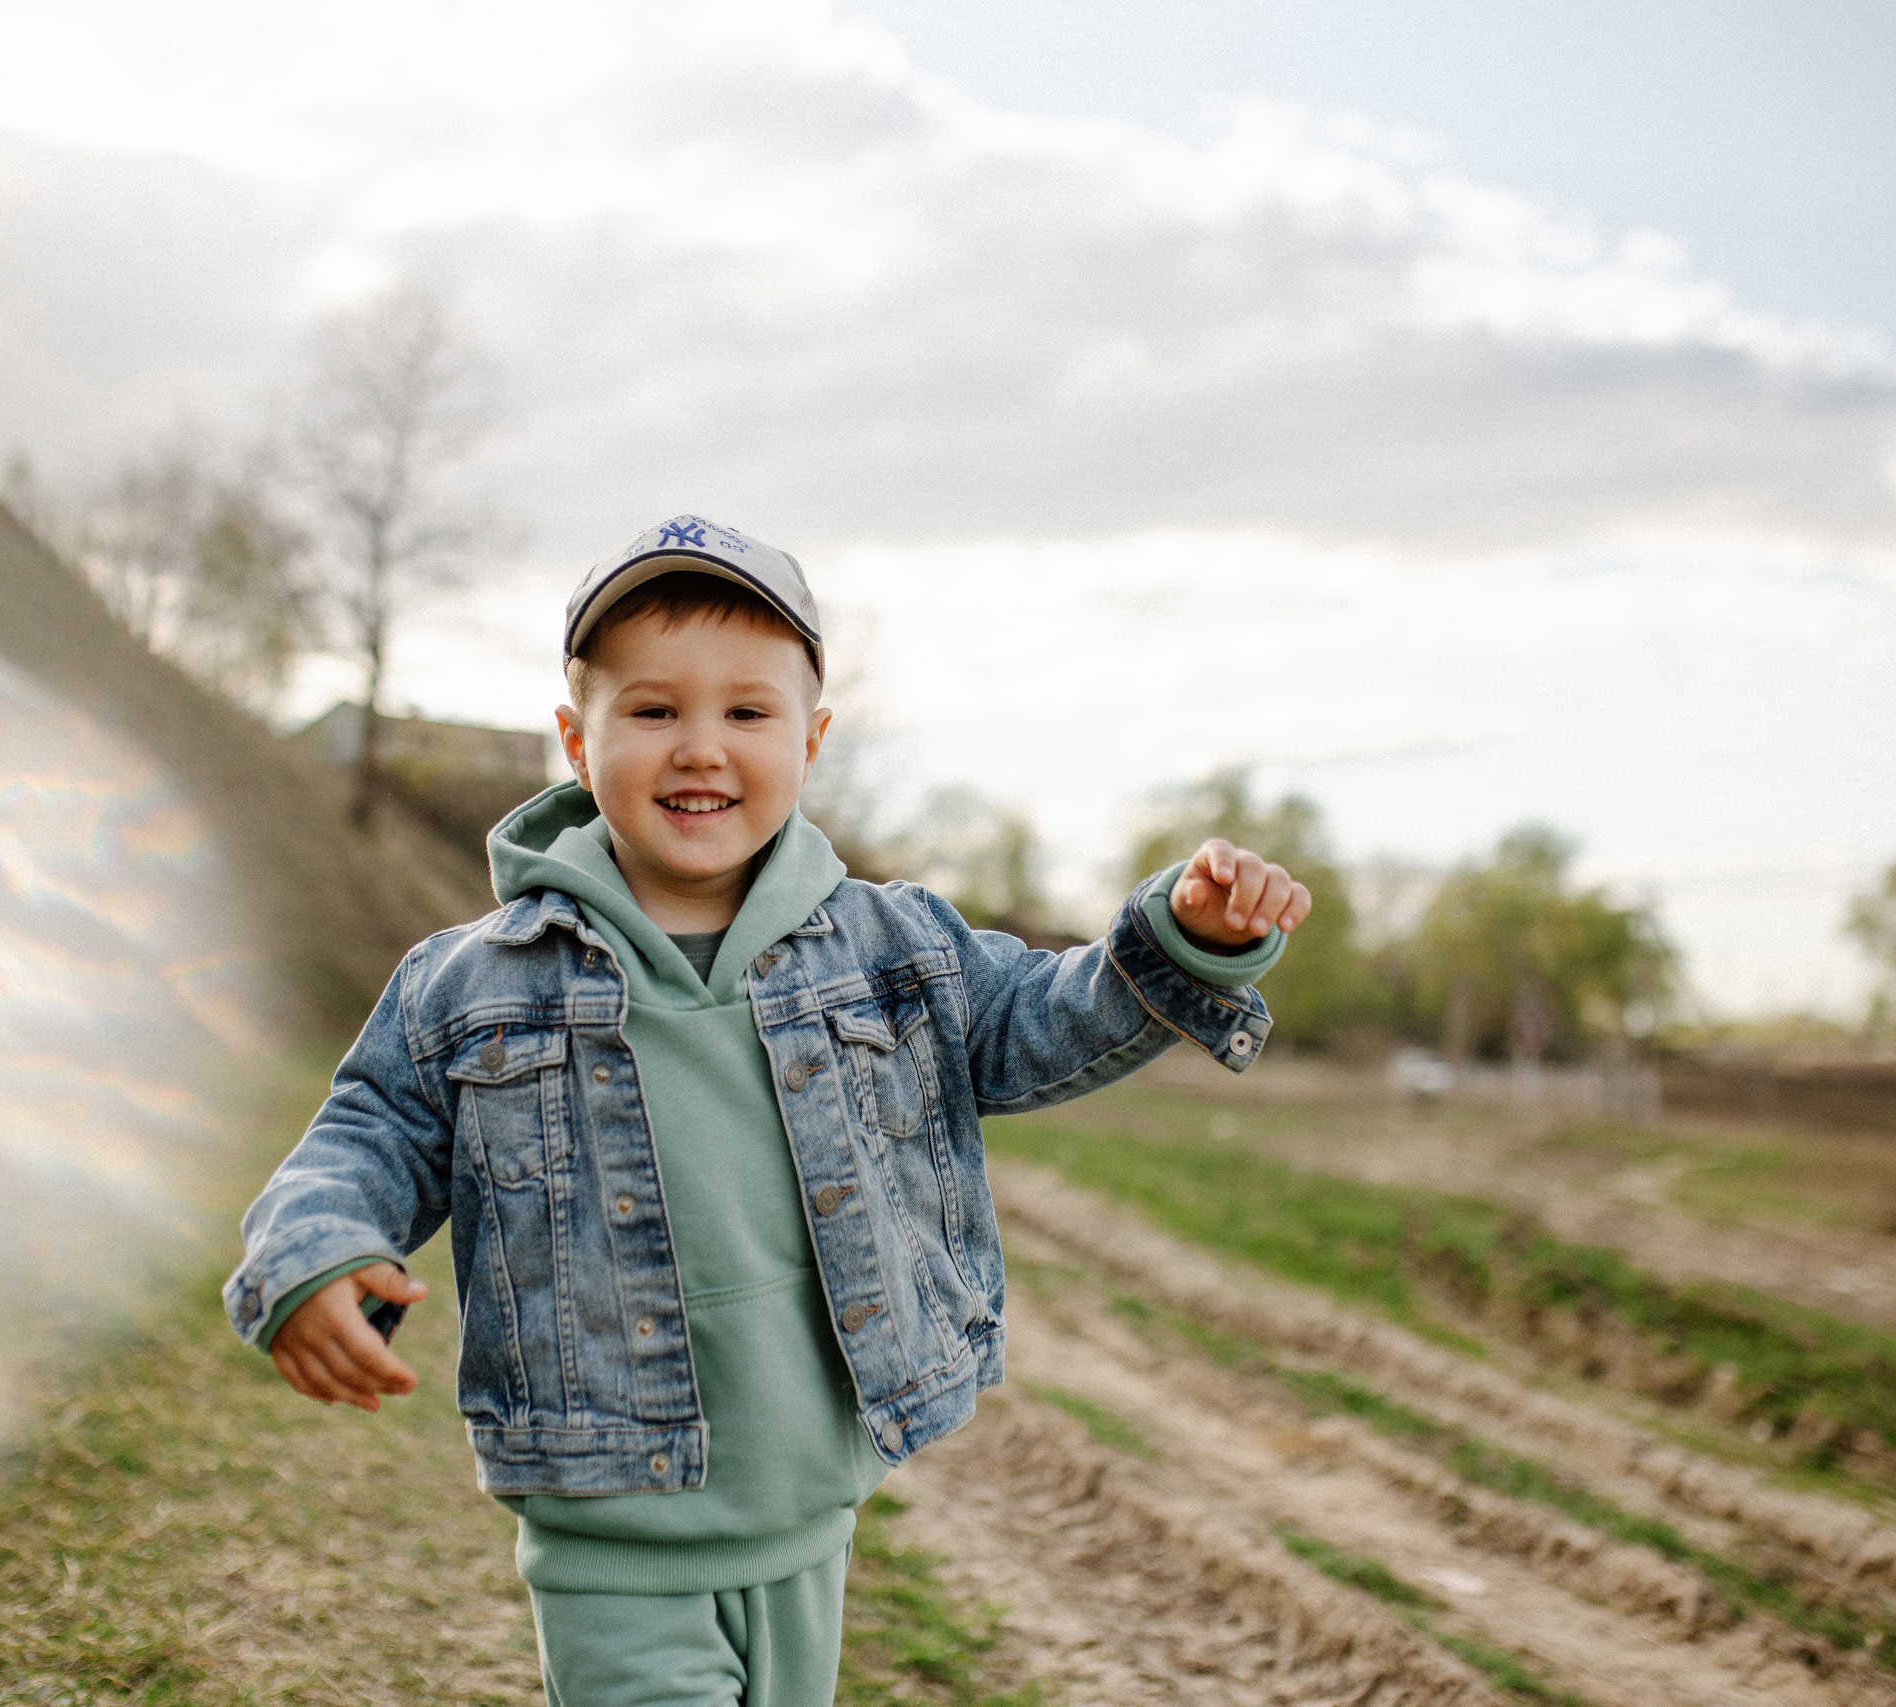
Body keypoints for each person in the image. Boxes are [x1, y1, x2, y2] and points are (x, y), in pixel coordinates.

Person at [223, 515, 1312, 1706]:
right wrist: (314, 1248)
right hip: (611, 1529)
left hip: (808, 1510)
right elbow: (366, 1133)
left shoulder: (893, 948)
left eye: (746, 714)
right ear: (576, 743)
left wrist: (1185, 940)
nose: (700, 748)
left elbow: (1046, 1018)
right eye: (653, 712)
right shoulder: (474, 981)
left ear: (811, 741)